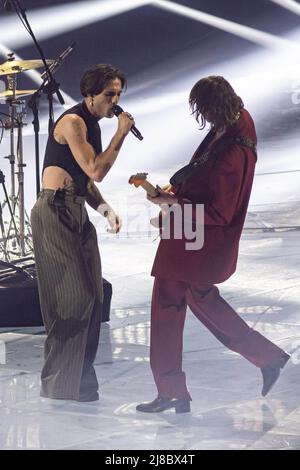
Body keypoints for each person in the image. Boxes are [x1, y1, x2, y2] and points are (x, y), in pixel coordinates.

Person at [136, 76, 290, 413]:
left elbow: (220, 212)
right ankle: (268, 357)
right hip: (191, 235)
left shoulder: (235, 152)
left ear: (212, 107)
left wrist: (175, 204)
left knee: (167, 303)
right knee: (199, 297)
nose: (201, 116)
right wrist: (173, 195)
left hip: (197, 240)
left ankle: (173, 390)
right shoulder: (232, 123)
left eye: (202, 109)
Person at [30, 64, 134, 402]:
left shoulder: (93, 125)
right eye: (109, 95)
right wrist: (121, 133)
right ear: (89, 94)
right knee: (74, 296)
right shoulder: (73, 122)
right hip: (55, 210)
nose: (115, 101)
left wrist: (104, 209)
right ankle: (59, 384)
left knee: (94, 295)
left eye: (118, 94)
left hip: (76, 209)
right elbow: (96, 169)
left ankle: (78, 382)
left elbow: (87, 181)